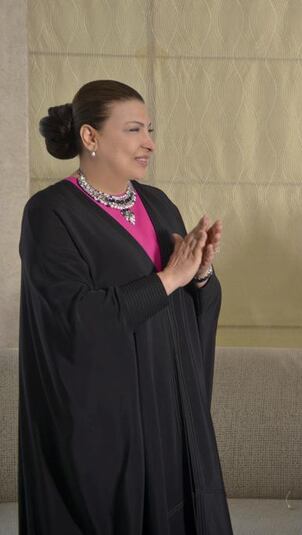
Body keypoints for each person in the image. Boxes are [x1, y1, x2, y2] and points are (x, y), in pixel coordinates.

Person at [19, 80, 233, 534]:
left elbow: (184, 305)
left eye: (149, 130)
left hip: (169, 414)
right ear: (90, 137)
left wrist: (199, 275)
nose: (149, 143)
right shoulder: (50, 214)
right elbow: (73, 319)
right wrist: (168, 278)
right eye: (134, 130)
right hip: (109, 430)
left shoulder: (157, 204)